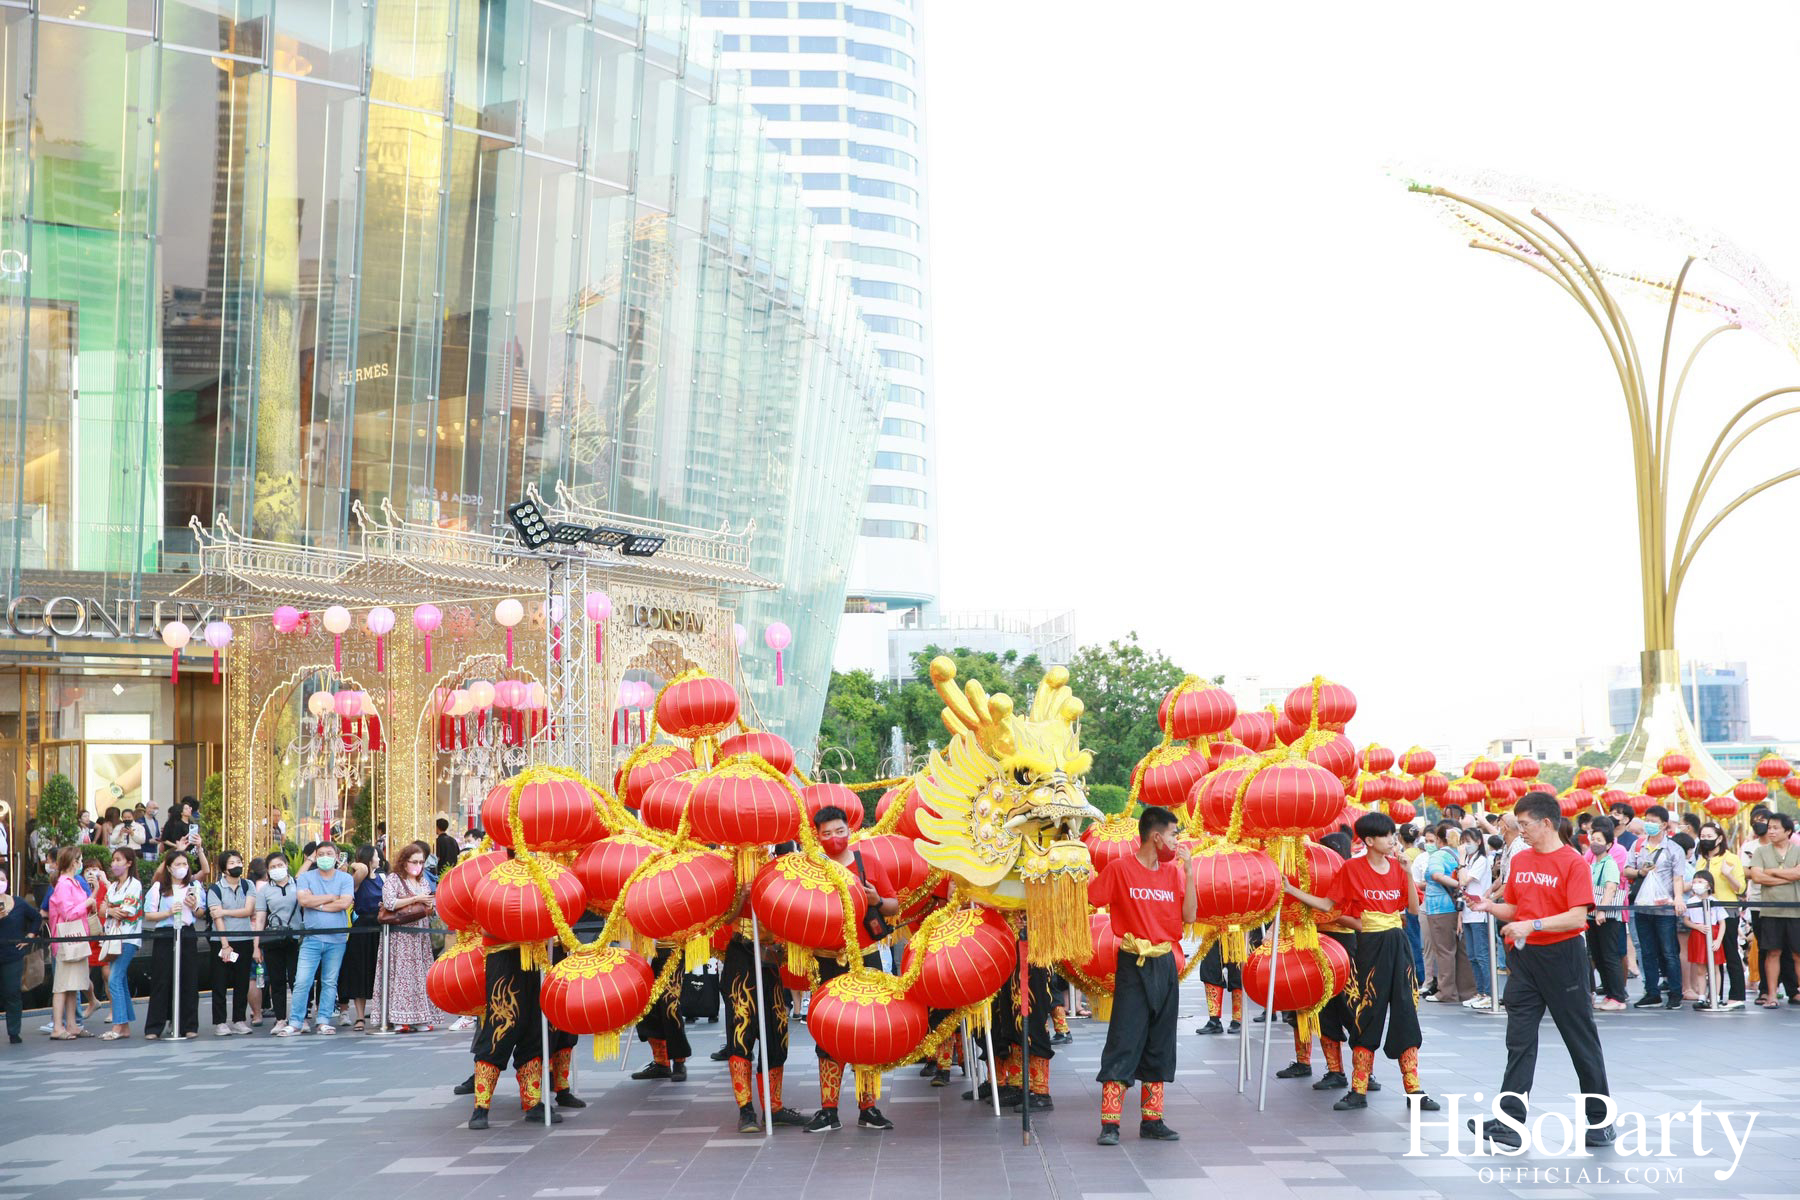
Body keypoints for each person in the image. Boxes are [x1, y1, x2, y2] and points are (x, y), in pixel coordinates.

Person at [1466, 790, 1614, 1150]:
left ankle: (1601, 1121)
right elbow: (1516, 909)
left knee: (1580, 1040)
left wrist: (1531, 926)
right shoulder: (1523, 861)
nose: (1521, 830)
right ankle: (1509, 1122)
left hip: (1563, 958)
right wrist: (1489, 906)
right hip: (1526, 960)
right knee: (1518, 1041)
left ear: (1547, 823)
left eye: (1525, 824)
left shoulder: (1573, 862)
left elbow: (1578, 916)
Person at [1285, 811, 1440, 1113]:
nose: (1391, 839)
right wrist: (1292, 891)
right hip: (1369, 946)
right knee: (1366, 1014)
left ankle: (1415, 1090)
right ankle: (1358, 1089)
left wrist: (1408, 873)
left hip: (1398, 944)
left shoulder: (1398, 867)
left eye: (1392, 834)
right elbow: (1329, 905)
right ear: (1369, 840)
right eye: (1385, 835)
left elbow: (1411, 907)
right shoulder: (1351, 869)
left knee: (1406, 1013)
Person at [1091, 805, 1196, 1146]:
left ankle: (1153, 1120)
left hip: (1165, 963)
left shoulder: (1173, 873)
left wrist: (1190, 871)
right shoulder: (1120, 869)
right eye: (1172, 834)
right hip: (1133, 962)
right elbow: (1091, 898)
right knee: (1125, 1037)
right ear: (1156, 836)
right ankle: (1110, 1123)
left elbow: (1190, 915)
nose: (1176, 840)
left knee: (1161, 1040)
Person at [802, 805, 900, 1133]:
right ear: (816, 836)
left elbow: (893, 904)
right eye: (826, 833)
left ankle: (868, 1107)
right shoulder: (811, 868)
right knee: (827, 1032)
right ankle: (828, 1110)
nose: (834, 838)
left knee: (867, 1030)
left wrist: (874, 900)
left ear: (850, 831)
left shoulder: (867, 863)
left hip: (865, 955)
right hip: (825, 958)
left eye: (839, 831)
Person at [1276, 832, 1369, 1090]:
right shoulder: (1312, 879)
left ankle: (1365, 1072)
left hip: (1344, 948)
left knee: (1351, 1010)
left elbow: (1361, 923)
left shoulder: (1352, 878)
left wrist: (1328, 914)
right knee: (1321, 1009)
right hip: (1314, 946)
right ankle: (1334, 1070)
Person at [276, 840, 353, 1036]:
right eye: (321, 854)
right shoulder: (306, 877)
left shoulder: (345, 878)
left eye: (329, 853)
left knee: (329, 981)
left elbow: (344, 903)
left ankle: (323, 1020)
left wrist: (317, 903)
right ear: (315, 857)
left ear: (337, 857)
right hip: (311, 938)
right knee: (302, 981)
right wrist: (330, 897)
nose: (325, 857)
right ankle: (295, 1021)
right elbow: (303, 900)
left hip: (337, 939)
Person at [376, 841, 449, 1033]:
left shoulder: (423, 880)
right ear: (404, 861)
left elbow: (427, 906)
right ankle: (398, 1018)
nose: (418, 865)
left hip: (420, 937)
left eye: (421, 862)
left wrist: (431, 906)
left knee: (420, 976)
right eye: (414, 861)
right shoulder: (394, 879)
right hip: (400, 937)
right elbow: (390, 903)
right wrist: (416, 899)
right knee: (401, 976)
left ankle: (420, 1017)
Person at [1624, 805, 1687, 1008]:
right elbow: (1626, 871)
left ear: (1664, 824)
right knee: (1647, 951)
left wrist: (1678, 898)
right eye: (1647, 820)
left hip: (1664, 907)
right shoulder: (1637, 846)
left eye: (1653, 821)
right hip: (1642, 906)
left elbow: (1678, 877)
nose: (1649, 824)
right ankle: (1651, 992)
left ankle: (1675, 992)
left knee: (1668, 951)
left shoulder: (1673, 849)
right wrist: (1640, 872)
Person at [142, 849, 202, 1039]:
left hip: (187, 932)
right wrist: (168, 913)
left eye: (185, 864)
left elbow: (201, 913)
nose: (182, 868)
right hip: (165, 933)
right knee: (161, 979)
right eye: (178, 864)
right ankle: (155, 1026)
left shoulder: (194, 886)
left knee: (189, 978)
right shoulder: (158, 888)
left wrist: (194, 906)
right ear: (169, 867)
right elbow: (149, 915)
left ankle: (189, 1024)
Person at [1746, 812, 1800, 1009]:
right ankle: (1771, 995)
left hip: (1796, 910)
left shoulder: (1798, 850)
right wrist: (1789, 876)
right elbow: (1758, 877)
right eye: (1769, 828)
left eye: (1776, 828)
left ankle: (1796, 992)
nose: (1771, 831)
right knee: (1772, 952)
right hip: (1770, 910)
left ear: (1787, 831)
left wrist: (1772, 872)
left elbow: (1799, 873)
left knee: (1797, 954)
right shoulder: (1761, 851)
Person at [46, 846, 97, 1039]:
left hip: (76, 938)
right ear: (73, 862)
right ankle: (58, 1027)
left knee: (72, 984)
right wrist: (87, 904)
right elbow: (68, 913)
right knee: (61, 985)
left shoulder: (73, 882)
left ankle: (72, 1024)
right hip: (66, 940)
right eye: (80, 860)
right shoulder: (64, 884)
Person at [1422, 822, 1475, 1004]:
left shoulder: (1438, 855)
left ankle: (1446, 992)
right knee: (1461, 950)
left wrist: (1458, 884)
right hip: (1458, 907)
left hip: (1439, 908)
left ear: (1438, 839)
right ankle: (1466, 991)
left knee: (1444, 951)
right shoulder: (1458, 855)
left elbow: (1436, 875)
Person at [1695, 823, 1746, 1009]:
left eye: (1709, 835)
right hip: (1705, 913)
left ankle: (1737, 994)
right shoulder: (1701, 859)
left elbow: (1741, 888)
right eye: (1702, 836)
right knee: (1712, 954)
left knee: (1730, 951)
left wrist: (1727, 874)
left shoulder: (1730, 858)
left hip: (1726, 911)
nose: (1705, 839)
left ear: (1719, 838)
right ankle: (1715, 994)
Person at [207, 850, 257, 1035]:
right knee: (219, 982)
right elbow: (216, 918)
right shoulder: (215, 889)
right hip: (221, 940)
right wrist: (225, 944)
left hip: (244, 938)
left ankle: (239, 1019)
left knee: (242, 981)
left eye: (239, 862)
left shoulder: (248, 884)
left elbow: (248, 910)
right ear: (224, 869)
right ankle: (220, 1022)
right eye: (231, 863)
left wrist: (225, 912)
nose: (236, 866)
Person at [99, 847, 143, 1039]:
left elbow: (128, 910)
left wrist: (110, 909)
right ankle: (124, 1025)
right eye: (113, 860)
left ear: (129, 863)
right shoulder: (112, 886)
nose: (114, 864)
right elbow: (102, 909)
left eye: (118, 860)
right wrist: (110, 910)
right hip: (112, 937)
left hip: (128, 937)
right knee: (120, 979)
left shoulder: (135, 885)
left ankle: (118, 1024)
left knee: (115, 978)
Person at [255, 852, 301, 1032]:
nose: (277, 869)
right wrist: (256, 946)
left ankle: (300, 1017)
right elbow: (260, 919)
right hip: (273, 939)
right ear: (267, 870)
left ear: (287, 865)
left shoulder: (298, 885)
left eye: (279, 865)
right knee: (277, 980)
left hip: (296, 939)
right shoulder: (264, 890)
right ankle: (281, 1018)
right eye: (272, 867)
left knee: (297, 980)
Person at [1585, 819, 1628, 1011]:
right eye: (1593, 838)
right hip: (1593, 915)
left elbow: (1611, 888)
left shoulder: (1609, 863)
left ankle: (1618, 997)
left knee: (1609, 955)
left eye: (1599, 839)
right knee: (1599, 955)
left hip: (1607, 916)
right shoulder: (1593, 863)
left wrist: (1602, 909)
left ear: (1609, 844)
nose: (1594, 842)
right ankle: (1610, 993)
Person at [338, 845, 382, 1031]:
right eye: (376, 856)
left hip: (381, 926)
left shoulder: (383, 877)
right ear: (369, 858)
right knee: (360, 970)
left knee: (379, 970)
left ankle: (381, 1012)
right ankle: (360, 1016)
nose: (379, 859)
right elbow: (362, 870)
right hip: (362, 927)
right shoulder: (357, 878)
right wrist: (358, 863)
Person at [0, 862, 43, 1044]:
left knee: (12, 993)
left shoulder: (18, 903)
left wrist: (30, 936)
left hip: (12, 957)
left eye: (2, 879)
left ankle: (14, 1032)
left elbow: (37, 917)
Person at [1457, 833, 1498, 1010]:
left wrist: (1461, 860)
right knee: (1472, 956)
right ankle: (1480, 992)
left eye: (1468, 842)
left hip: (1479, 914)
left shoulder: (1481, 860)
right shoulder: (1469, 861)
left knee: (1481, 956)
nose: (1465, 846)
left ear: (1479, 842)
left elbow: (1465, 879)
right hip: (1468, 912)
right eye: (1463, 842)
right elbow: (1461, 884)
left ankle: (1489, 994)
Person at [1684, 871, 1728, 1008]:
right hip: (1698, 935)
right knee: (1700, 969)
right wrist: (1697, 927)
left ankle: (1716, 996)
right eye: (1695, 881)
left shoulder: (1715, 902)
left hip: (1713, 933)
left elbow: (1722, 923)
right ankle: (1702, 997)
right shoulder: (1690, 902)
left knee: (1715, 968)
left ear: (1709, 885)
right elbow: (1686, 920)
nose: (1697, 885)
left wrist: (1719, 940)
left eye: (1701, 882)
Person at [1397, 824, 1427, 987]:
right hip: (1420, 902)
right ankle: (1421, 974)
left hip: (1408, 902)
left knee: (1411, 940)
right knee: (1417, 940)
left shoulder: (1402, 856)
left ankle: (1416, 974)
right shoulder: (1422, 854)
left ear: (1400, 838)